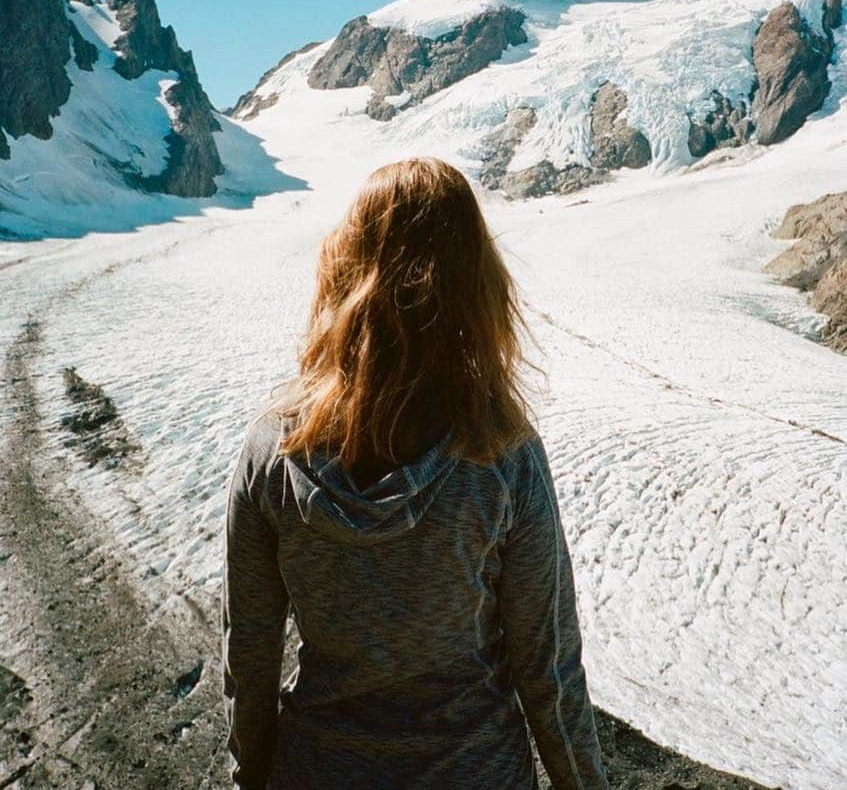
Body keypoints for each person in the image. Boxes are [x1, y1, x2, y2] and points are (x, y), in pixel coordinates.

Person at [221, 156, 609, 790]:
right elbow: (550, 665)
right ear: (474, 283)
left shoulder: (274, 449)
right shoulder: (500, 451)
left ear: (345, 270)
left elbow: (250, 654)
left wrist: (252, 776)